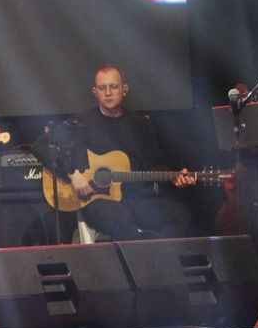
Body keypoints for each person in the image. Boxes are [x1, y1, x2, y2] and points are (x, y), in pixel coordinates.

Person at [31, 65, 198, 242]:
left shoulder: (140, 124)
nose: (108, 93)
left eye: (114, 87)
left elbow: (154, 163)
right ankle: (142, 254)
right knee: (121, 219)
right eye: (102, 88)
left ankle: (156, 254)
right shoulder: (81, 122)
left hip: (137, 198)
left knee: (180, 215)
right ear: (95, 92)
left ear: (124, 89)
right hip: (98, 201)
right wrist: (73, 174)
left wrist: (174, 177)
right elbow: (40, 145)